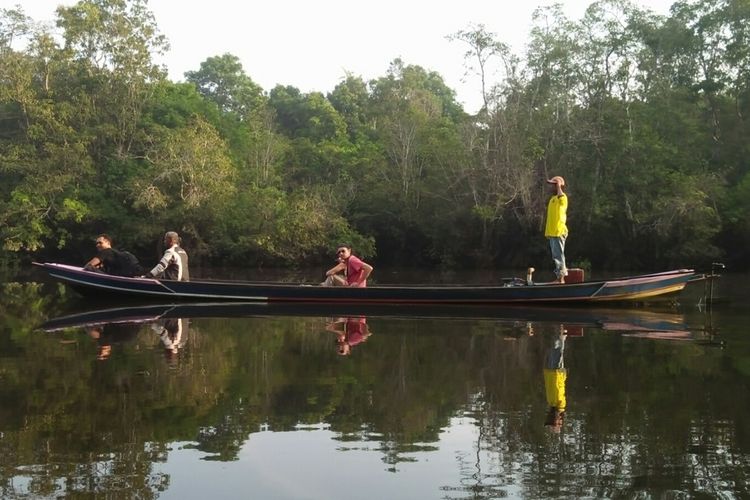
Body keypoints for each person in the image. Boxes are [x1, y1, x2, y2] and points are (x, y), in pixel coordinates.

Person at [543, 325, 567, 433]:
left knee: (554, 349)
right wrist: (559, 420)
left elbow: (549, 387)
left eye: (548, 420)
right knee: (558, 350)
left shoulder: (551, 403)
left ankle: (559, 330)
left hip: (550, 372)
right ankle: (563, 331)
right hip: (557, 373)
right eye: (551, 420)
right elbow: (560, 388)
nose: (548, 418)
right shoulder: (559, 405)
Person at [544, 176, 568, 284]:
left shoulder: (562, 198)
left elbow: (561, 196)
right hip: (552, 232)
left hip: (559, 232)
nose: (550, 187)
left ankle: (561, 279)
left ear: (557, 186)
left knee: (558, 255)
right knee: (555, 256)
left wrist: (558, 186)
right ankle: (559, 278)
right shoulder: (552, 199)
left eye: (553, 185)